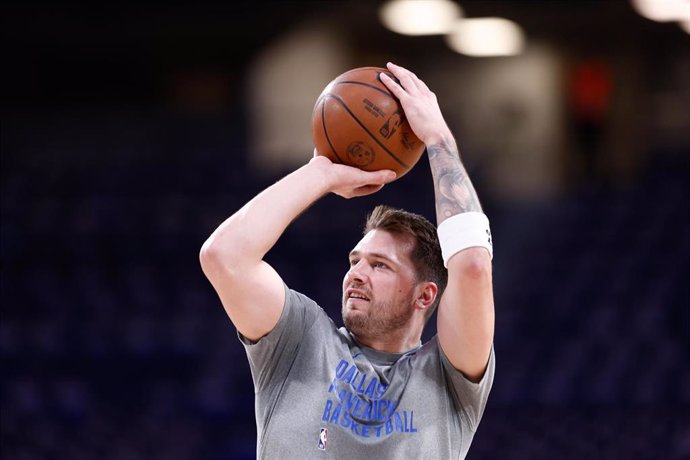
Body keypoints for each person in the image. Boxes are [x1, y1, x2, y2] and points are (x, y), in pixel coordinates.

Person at [199, 62, 495, 459]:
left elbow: (473, 265)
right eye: (355, 260)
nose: (356, 274)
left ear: (425, 295)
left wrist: (439, 138)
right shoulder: (300, 340)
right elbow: (224, 257)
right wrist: (319, 172)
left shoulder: (450, 379)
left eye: (380, 266)